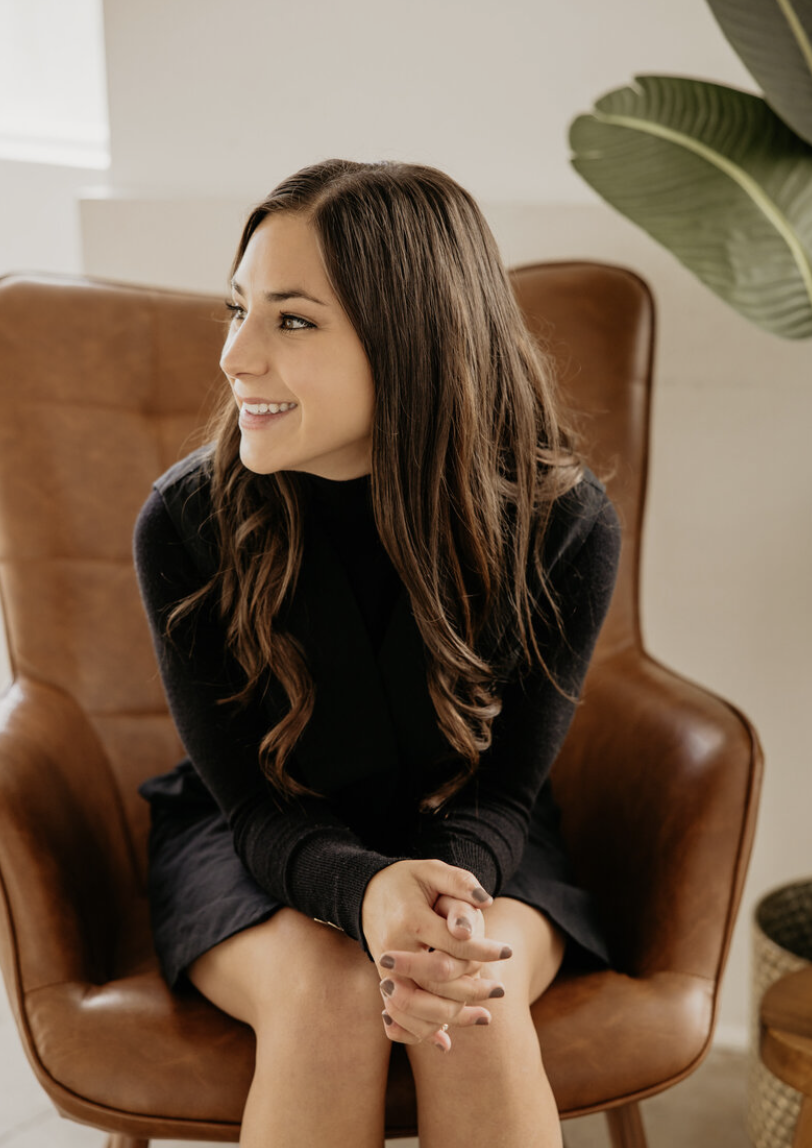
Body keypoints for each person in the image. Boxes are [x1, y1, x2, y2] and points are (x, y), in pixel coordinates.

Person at [134, 157, 622, 1148]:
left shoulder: (559, 520)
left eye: (292, 319)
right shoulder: (185, 519)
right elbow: (253, 802)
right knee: (328, 992)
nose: (234, 356)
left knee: (470, 1003)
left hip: (475, 835)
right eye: (237, 309)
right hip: (256, 838)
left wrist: (434, 906)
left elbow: (501, 791)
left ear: (411, 341)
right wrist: (362, 891)